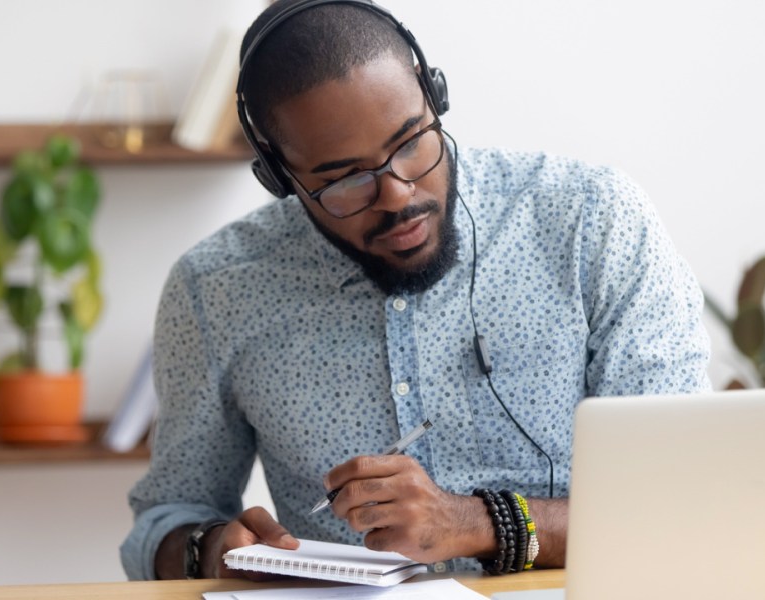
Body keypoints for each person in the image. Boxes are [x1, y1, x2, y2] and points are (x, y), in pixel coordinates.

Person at [120, 0, 711, 581]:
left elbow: (682, 501)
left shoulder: (593, 222)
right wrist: (211, 547)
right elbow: (164, 523)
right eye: (346, 179)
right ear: (279, 176)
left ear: (435, 97)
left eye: (411, 143)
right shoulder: (214, 289)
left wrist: (477, 523)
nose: (399, 195)